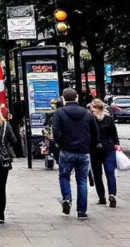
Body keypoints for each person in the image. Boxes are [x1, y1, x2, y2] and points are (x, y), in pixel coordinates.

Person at [51, 88, 96, 219]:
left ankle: (67, 198)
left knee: (64, 176)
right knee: (82, 180)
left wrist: (60, 144)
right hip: (83, 150)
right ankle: (82, 211)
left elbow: (56, 131)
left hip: (67, 150)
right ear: (77, 97)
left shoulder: (59, 113)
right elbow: (94, 133)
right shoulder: (87, 113)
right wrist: (90, 147)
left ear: (63, 99)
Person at [88, 99, 120, 208]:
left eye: (91, 107)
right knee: (110, 173)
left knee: (97, 175)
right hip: (108, 148)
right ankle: (112, 194)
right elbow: (114, 133)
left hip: (94, 149)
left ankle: (102, 197)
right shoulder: (109, 119)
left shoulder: (90, 120)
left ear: (94, 107)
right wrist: (117, 144)